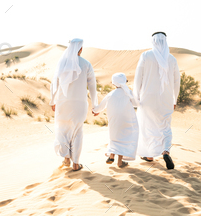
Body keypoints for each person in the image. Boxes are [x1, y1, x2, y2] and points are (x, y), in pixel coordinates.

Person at [49, 38, 98, 171]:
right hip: (79, 105)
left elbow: (55, 83)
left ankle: (66, 159)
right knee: (77, 132)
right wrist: (95, 105)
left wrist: (52, 101)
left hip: (62, 103)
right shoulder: (86, 64)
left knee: (63, 129)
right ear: (80, 49)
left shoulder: (62, 63)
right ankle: (76, 163)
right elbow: (92, 86)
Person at [133, 32, 180, 169]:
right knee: (165, 127)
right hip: (165, 99)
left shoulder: (146, 56)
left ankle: (149, 155)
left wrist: (136, 96)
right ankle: (166, 151)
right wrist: (174, 99)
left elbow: (138, 77)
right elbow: (177, 81)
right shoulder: (172, 59)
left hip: (147, 98)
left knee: (147, 126)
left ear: (153, 41)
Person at [92, 73, 139, 168]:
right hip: (127, 120)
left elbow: (101, 106)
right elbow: (136, 104)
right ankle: (120, 161)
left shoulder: (110, 94)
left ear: (113, 84)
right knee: (124, 138)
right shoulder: (128, 92)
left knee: (114, 137)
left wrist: (95, 110)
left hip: (114, 120)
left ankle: (112, 155)